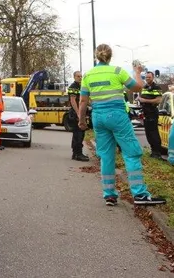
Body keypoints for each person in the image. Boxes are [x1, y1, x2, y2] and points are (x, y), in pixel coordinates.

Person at [78, 44, 166, 206]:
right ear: (110, 56)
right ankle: (140, 194)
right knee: (131, 152)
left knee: (106, 156)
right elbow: (138, 87)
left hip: (98, 117)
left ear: (96, 56)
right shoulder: (117, 71)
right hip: (117, 116)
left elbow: (83, 101)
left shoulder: (88, 75)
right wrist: (137, 73)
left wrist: (81, 120)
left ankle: (109, 194)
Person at [139, 70, 164, 159]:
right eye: (146, 77)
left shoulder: (156, 87)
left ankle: (157, 153)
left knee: (153, 133)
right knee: (148, 134)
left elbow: (158, 100)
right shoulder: (144, 87)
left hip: (152, 113)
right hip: (145, 113)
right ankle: (153, 151)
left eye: (149, 77)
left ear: (153, 77)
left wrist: (145, 100)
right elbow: (142, 98)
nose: (147, 79)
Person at [67, 71, 90, 161]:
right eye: (78, 76)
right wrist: (78, 113)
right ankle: (78, 154)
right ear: (74, 77)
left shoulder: (81, 86)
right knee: (79, 133)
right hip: (76, 113)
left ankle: (75, 153)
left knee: (78, 133)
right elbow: (73, 101)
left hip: (80, 112)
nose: (80, 78)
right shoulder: (73, 87)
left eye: (81, 76)